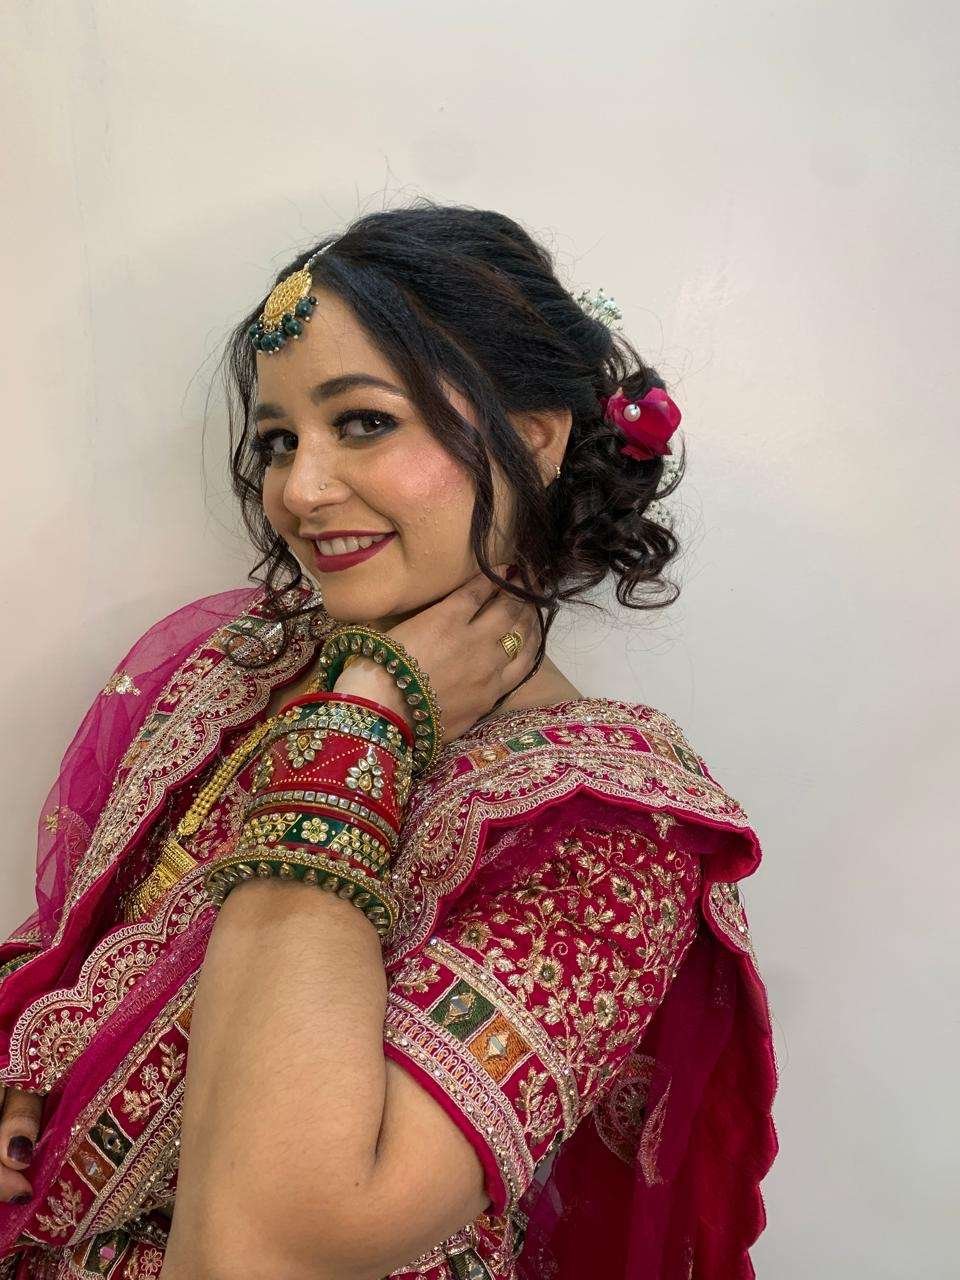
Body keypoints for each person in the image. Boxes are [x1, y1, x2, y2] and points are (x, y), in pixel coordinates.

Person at [0, 203, 778, 1279]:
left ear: (537, 435)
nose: (299, 490)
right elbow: (79, 951)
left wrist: (365, 717)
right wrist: (28, 1073)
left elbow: (265, 1242)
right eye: (278, 441)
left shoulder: (607, 835)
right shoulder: (243, 667)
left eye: (363, 421)